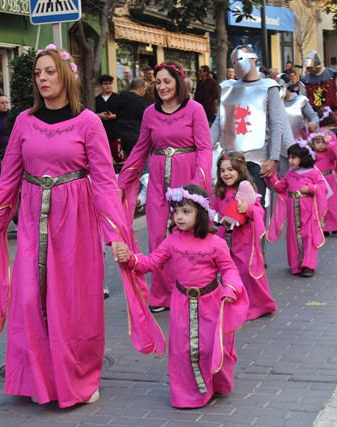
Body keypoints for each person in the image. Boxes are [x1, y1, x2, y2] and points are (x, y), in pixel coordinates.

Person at [0, 44, 164, 408]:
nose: (42, 78)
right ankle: (38, 379)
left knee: (73, 304)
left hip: (75, 223)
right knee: (29, 299)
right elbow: (8, 179)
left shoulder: (88, 123)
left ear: (65, 76)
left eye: (49, 71)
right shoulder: (24, 123)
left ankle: (79, 376)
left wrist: (117, 236)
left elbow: (106, 182)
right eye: (37, 74)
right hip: (32, 222)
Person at [116, 184, 248, 408]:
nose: (178, 216)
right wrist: (130, 258)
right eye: (176, 211)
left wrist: (231, 287)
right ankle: (188, 394)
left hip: (211, 303)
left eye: (185, 211)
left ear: (201, 213)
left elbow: (229, 269)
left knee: (209, 347)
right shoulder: (172, 241)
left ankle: (215, 383)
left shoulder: (216, 243)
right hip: (181, 304)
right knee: (182, 351)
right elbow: (151, 262)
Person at [118, 61, 213, 312]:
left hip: (187, 178)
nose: (162, 86)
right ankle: (161, 295)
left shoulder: (195, 109)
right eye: (158, 82)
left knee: (186, 235)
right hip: (158, 181)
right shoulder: (150, 112)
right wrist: (121, 183)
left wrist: (197, 185)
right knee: (158, 236)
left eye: (167, 81)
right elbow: (140, 149)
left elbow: (204, 147)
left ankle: (191, 287)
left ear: (178, 82)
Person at [211, 45, 284, 201]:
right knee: (227, 210)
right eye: (234, 61)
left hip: (258, 161)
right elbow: (220, 122)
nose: (237, 64)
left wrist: (274, 158)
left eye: (240, 58)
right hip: (230, 161)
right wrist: (206, 147)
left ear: (254, 58)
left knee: (255, 209)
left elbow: (276, 124)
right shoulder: (228, 87)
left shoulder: (269, 87)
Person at [211, 153, 276, 320]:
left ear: (240, 170)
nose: (226, 174)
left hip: (245, 238)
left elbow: (259, 210)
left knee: (247, 271)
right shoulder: (220, 191)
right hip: (225, 238)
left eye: (230, 169)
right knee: (229, 271)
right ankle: (235, 304)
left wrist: (246, 208)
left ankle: (257, 305)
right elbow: (212, 210)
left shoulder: (247, 189)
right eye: (222, 170)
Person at [267, 141, 328, 277]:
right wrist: (271, 177)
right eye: (289, 157)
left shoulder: (313, 173)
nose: (290, 161)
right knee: (293, 236)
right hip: (292, 208)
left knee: (308, 234)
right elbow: (280, 187)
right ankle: (296, 264)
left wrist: (311, 188)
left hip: (308, 209)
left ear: (303, 158)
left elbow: (322, 187)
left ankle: (308, 265)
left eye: (293, 157)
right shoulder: (290, 173)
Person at [308, 131, 337, 235]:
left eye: (323, 142)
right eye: (317, 142)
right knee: (320, 204)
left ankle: (335, 224)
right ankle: (324, 226)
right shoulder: (312, 156)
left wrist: (330, 143)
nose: (321, 145)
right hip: (318, 182)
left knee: (333, 205)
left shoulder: (329, 154)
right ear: (313, 144)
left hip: (330, 181)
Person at [300, 51, 337, 128]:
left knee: (332, 139)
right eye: (308, 68)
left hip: (331, 116)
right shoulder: (305, 80)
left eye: (311, 67)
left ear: (317, 64)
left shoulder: (333, 75)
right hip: (313, 118)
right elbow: (302, 101)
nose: (309, 70)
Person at [280, 73, 319, 177]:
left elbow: (313, 116)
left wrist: (313, 123)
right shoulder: (273, 103)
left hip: (298, 147)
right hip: (279, 149)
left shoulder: (300, 100)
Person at [94, 74, 124, 164]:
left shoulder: (118, 98)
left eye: (110, 83)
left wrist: (114, 116)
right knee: (103, 159)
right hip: (101, 133)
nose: (108, 86)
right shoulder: (96, 100)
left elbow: (124, 113)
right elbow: (91, 114)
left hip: (116, 133)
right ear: (101, 85)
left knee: (120, 158)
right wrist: (99, 115)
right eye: (105, 84)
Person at [117, 76, 148, 157]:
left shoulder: (119, 99)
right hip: (138, 139)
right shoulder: (140, 103)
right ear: (140, 88)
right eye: (145, 89)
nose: (145, 92)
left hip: (123, 139)